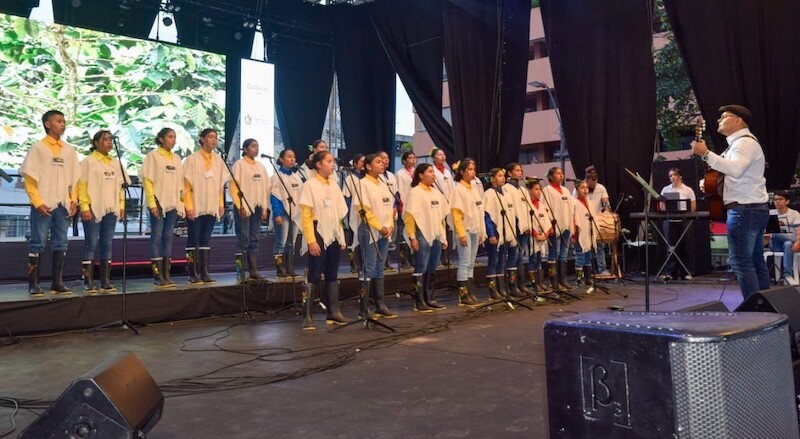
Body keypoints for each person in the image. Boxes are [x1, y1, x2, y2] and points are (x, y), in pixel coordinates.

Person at [692, 104, 769, 299]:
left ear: (738, 121)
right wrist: (709, 183)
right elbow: (730, 173)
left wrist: (706, 154)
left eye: (724, 116)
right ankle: (766, 308)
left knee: (742, 262)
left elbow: (735, 169)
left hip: (744, 210)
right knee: (755, 261)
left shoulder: (743, 143)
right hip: (753, 208)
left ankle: (755, 310)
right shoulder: (741, 144)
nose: (719, 120)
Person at [21, 110, 80, 296]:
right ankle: (33, 284)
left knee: (61, 242)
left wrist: (74, 200)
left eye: (64, 121)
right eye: (58, 121)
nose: (63, 124)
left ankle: (57, 282)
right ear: (47, 124)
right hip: (43, 203)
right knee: (37, 242)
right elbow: (30, 179)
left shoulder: (69, 150)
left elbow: (75, 180)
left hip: (63, 204)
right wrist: (37, 201)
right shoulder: (38, 148)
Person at [298, 150, 349, 329]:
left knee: (332, 272)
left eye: (332, 161)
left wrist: (341, 236)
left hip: (333, 232)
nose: (332, 164)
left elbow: (339, 215)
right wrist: (311, 240)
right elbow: (305, 216)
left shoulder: (334, 186)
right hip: (317, 231)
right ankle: (307, 315)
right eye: (328, 161)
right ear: (318, 164)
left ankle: (333, 311)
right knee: (314, 273)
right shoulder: (310, 185)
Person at [78, 130, 129, 294]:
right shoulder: (88, 162)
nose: (109, 142)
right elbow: (82, 185)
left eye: (110, 140)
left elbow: (121, 187)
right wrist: (84, 206)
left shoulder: (115, 162)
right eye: (105, 139)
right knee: (91, 243)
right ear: (96, 143)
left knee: (107, 244)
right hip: (93, 208)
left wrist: (121, 205)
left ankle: (105, 281)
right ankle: (88, 281)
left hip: (111, 208)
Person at [350, 153, 397, 319]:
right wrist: (379, 227)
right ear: (368, 166)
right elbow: (363, 210)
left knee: (379, 268)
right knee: (368, 268)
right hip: (370, 230)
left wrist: (390, 225)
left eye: (383, 161)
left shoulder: (383, 183)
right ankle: (363, 308)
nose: (383, 163)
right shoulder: (362, 184)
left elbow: (390, 207)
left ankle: (380, 304)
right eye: (378, 162)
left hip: (385, 230)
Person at [183, 128, 229, 284]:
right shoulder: (192, 159)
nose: (214, 140)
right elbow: (186, 186)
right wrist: (189, 206)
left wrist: (220, 204)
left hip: (211, 205)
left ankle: (204, 272)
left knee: (205, 239)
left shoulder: (218, 160)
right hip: (196, 205)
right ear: (202, 139)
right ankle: (192, 272)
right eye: (210, 137)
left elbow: (220, 186)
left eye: (215, 137)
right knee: (193, 238)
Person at [140, 127, 184, 288]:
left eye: (175, 137)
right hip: (158, 201)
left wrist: (181, 203)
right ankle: (158, 275)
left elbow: (180, 184)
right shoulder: (153, 156)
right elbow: (148, 180)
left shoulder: (177, 158)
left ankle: (167, 274)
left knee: (168, 237)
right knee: (157, 237)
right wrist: (152, 203)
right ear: (161, 139)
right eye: (170, 137)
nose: (173, 140)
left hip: (172, 202)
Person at [404, 163, 449, 312]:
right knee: (421, 267)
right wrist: (412, 237)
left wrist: (443, 236)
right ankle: (419, 301)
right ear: (421, 175)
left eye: (433, 172)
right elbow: (409, 216)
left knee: (432, 267)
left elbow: (442, 217)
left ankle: (430, 297)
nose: (433, 174)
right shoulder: (415, 192)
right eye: (430, 172)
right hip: (422, 234)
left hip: (436, 233)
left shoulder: (436, 193)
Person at [230, 139, 270, 282]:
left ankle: (254, 271)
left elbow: (266, 189)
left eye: (257, 146)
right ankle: (240, 272)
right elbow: (233, 187)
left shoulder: (261, 166)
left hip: (258, 207)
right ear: (245, 149)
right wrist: (239, 205)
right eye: (253, 146)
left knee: (254, 239)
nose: (256, 149)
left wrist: (265, 207)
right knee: (243, 239)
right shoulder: (239, 165)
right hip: (243, 207)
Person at [450, 158, 485, 307]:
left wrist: (481, 230)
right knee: (464, 262)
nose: (472, 172)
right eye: (469, 169)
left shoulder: (474, 188)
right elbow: (456, 214)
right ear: (462, 171)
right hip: (464, 229)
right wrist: (461, 233)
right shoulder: (459, 189)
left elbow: (479, 211)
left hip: (474, 229)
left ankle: (470, 293)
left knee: (471, 263)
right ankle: (463, 295)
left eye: (473, 169)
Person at [657, 167, 697, 282]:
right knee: (671, 247)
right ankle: (671, 273)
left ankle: (685, 272)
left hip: (684, 219)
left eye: (674, 175)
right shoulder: (665, 189)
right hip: (669, 219)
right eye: (670, 176)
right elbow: (662, 204)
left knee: (685, 245)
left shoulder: (688, 190)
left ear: (680, 176)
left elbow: (693, 206)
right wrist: (665, 213)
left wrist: (688, 215)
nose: (672, 177)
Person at [484, 168, 517, 300]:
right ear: (492, 179)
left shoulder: (506, 194)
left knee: (501, 262)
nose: (502, 178)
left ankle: (501, 288)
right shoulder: (489, 194)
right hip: (495, 234)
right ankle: (493, 290)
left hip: (505, 233)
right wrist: (491, 234)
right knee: (493, 261)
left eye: (503, 176)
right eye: (499, 176)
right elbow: (487, 216)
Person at [270, 149, 303, 278]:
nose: (292, 159)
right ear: (282, 159)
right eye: (289, 157)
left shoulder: (296, 177)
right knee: (281, 241)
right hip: (282, 213)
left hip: (294, 213)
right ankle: (280, 269)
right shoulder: (277, 176)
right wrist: (277, 213)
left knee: (292, 242)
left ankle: (290, 268)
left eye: (293, 157)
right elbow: (275, 197)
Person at [573, 165, 610, 275]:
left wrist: (606, 211)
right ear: (586, 180)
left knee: (599, 246)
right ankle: (584, 271)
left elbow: (605, 202)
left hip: (596, 220)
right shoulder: (578, 190)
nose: (592, 187)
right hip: (582, 221)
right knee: (583, 247)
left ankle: (602, 269)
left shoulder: (601, 188)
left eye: (595, 183)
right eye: (590, 184)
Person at [542, 166, 574, 290]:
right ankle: (553, 281)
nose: (561, 175)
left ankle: (563, 279)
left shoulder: (566, 190)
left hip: (566, 225)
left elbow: (571, 208)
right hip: (555, 226)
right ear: (551, 176)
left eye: (562, 173)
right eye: (558, 173)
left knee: (564, 254)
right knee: (554, 253)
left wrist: (572, 224)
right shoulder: (547, 190)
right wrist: (549, 226)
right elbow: (544, 208)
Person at [505, 162, 533, 296]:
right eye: (517, 170)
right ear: (509, 173)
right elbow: (510, 210)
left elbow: (527, 210)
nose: (520, 173)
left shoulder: (523, 190)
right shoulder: (506, 189)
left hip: (524, 228)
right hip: (514, 227)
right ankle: (512, 286)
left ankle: (521, 285)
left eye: (521, 170)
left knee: (520, 257)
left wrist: (527, 225)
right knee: (513, 257)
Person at [767, 190, 800, 284]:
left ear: (787, 201)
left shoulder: (794, 214)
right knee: (775, 234)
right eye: (775, 199)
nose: (777, 201)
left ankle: (787, 275)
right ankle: (788, 276)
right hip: (775, 244)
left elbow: (798, 229)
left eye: (780, 199)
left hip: (791, 244)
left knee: (788, 243)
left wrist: (798, 241)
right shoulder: (770, 213)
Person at [431, 147, 456, 266]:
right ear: (433, 158)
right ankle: (437, 257)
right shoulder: (432, 171)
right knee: (437, 230)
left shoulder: (447, 172)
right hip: (436, 206)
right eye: (439, 155)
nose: (442, 157)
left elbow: (452, 188)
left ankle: (446, 256)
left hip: (447, 205)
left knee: (447, 231)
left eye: (443, 154)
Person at [527, 178, 551, 295]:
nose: (539, 192)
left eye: (540, 189)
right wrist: (536, 234)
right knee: (532, 259)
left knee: (539, 260)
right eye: (536, 189)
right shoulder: (527, 205)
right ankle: (533, 283)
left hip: (542, 236)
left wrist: (545, 234)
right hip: (533, 237)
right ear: (530, 191)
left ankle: (540, 282)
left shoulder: (541, 205)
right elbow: (527, 223)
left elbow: (547, 222)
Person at [573, 180, 597, 288]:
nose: (585, 190)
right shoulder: (574, 203)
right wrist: (574, 234)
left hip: (589, 232)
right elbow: (573, 219)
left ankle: (588, 277)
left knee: (588, 255)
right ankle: (579, 278)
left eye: (586, 188)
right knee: (580, 255)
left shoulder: (590, 203)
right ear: (577, 189)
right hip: (579, 232)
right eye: (582, 188)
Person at [395, 151, 416, 270]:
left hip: (414, 206)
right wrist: (401, 204)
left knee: (413, 233)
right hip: (404, 205)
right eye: (410, 158)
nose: (413, 160)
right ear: (404, 160)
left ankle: (413, 258)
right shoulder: (400, 174)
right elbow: (399, 190)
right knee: (404, 234)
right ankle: (404, 260)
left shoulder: (416, 173)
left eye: (414, 158)